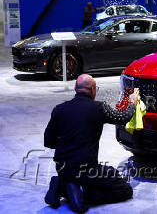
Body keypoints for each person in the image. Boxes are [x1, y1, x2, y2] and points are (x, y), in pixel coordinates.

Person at [44, 74, 138, 213]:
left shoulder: (59, 109)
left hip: (63, 169)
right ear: (93, 90)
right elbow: (122, 117)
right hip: (86, 170)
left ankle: (62, 184)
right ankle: (80, 195)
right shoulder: (99, 108)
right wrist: (132, 103)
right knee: (124, 189)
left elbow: (49, 142)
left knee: (100, 176)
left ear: (76, 88)